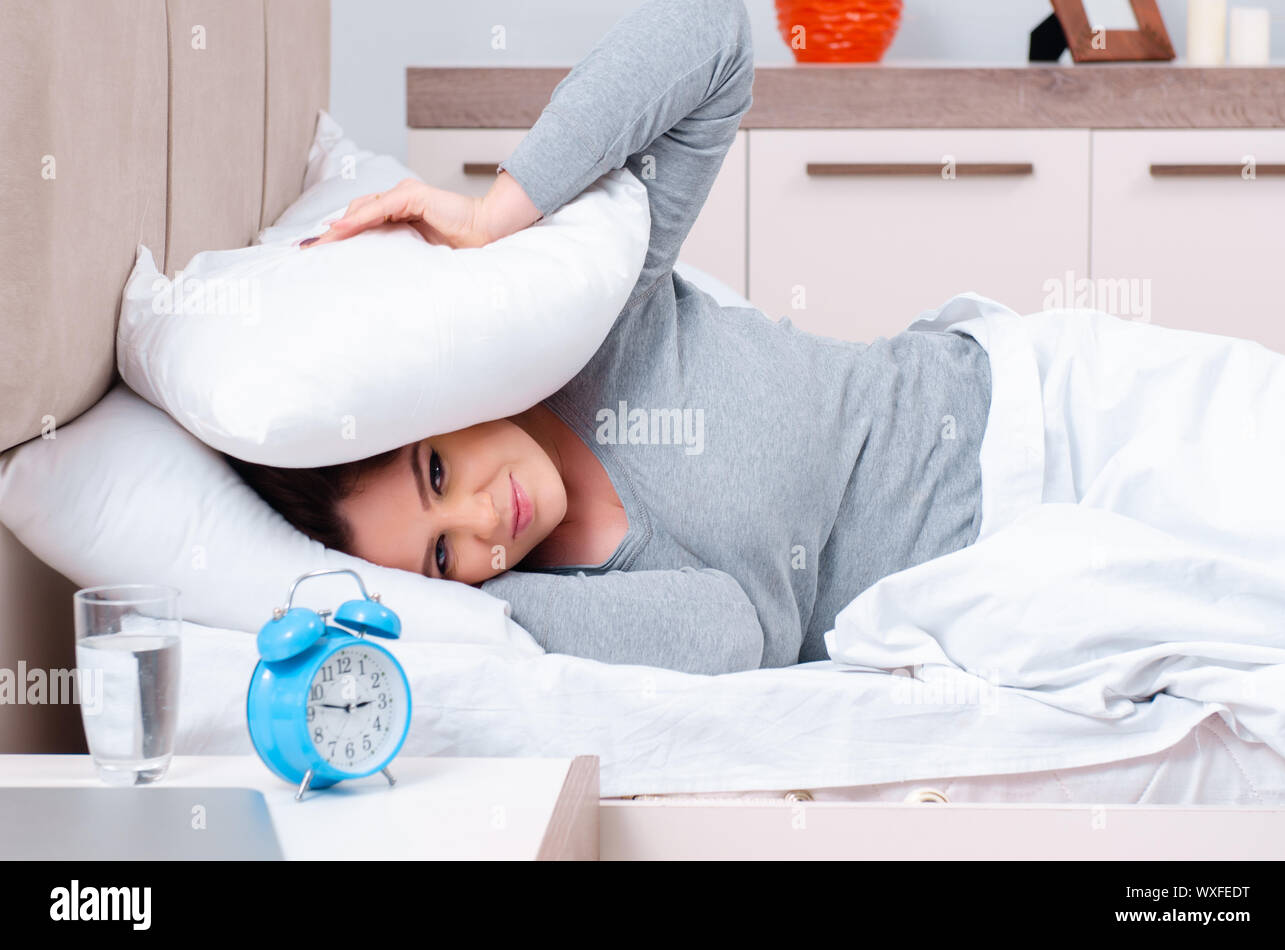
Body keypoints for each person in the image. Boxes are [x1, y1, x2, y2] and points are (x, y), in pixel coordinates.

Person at [226, 0, 994, 674]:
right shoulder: (547, 600)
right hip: (997, 602)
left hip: (1019, 425)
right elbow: (730, 634)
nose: (485, 521)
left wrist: (495, 212)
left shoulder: (598, 332)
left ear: (434, 399)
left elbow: (709, 31)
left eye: (436, 473)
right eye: (441, 553)